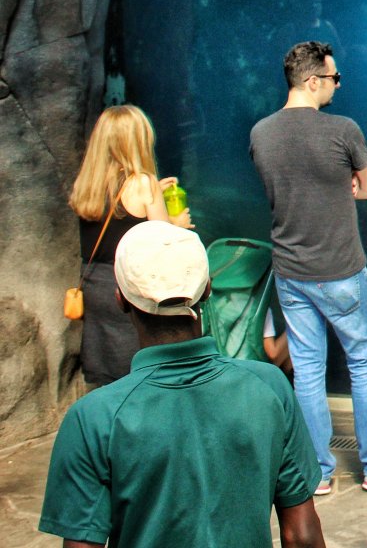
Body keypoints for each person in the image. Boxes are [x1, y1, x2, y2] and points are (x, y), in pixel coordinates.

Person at [38, 221, 325, 548]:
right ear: (206, 290)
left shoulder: (93, 419)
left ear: (120, 299)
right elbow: (301, 536)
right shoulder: (270, 387)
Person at [249, 40, 367, 495]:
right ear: (312, 81)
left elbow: (280, 189)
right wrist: (342, 183)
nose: (337, 84)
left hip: (290, 271)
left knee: (307, 370)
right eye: (333, 78)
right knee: (364, 362)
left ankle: (317, 472)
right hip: (341, 270)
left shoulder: (261, 133)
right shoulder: (342, 130)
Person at [67, 105, 193, 387]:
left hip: (93, 286)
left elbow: (118, 214)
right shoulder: (143, 183)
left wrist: (154, 192)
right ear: (136, 141)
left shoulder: (88, 182)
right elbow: (162, 238)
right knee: (136, 374)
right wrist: (178, 224)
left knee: (104, 372)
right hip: (126, 287)